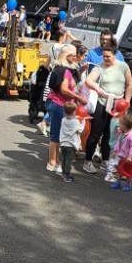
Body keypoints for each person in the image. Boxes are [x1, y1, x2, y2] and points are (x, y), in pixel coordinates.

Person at [83, 46, 132, 173]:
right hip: (102, 103)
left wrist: (127, 102)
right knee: (95, 133)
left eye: (108, 56)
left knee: (111, 134)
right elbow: (88, 80)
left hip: (118, 104)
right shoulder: (100, 66)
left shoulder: (123, 66)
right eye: (104, 56)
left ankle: (106, 160)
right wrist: (98, 88)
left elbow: (129, 85)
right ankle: (87, 161)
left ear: (115, 55)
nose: (105, 58)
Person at [45, 44, 87, 174]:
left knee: (59, 134)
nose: (75, 57)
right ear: (66, 55)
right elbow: (64, 89)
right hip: (58, 104)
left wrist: (80, 72)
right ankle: (52, 162)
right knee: (56, 135)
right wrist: (78, 97)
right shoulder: (64, 70)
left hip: (58, 104)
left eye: (76, 55)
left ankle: (56, 160)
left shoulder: (63, 68)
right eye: (73, 55)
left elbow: (70, 83)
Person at [106, 114, 132, 192]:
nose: (119, 125)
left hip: (127, 157)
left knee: (127, 172)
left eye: (120, 123)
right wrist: (115, 151)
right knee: (119, 169)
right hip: (120, 155)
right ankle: (118, 182)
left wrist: (130, 157)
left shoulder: (131, 136)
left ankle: (128, 184)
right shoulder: (121, 133)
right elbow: (118, 142)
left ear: (125, 126)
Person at [59, 101, 83, 183]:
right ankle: (67, 175)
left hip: (63, 143)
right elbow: (80, 130)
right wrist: (83, 121)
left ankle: (63, 173)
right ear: (74, 112)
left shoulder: (63, 120)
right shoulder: (76, 122)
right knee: (69, 160)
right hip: (70, 144)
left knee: (64, 159)